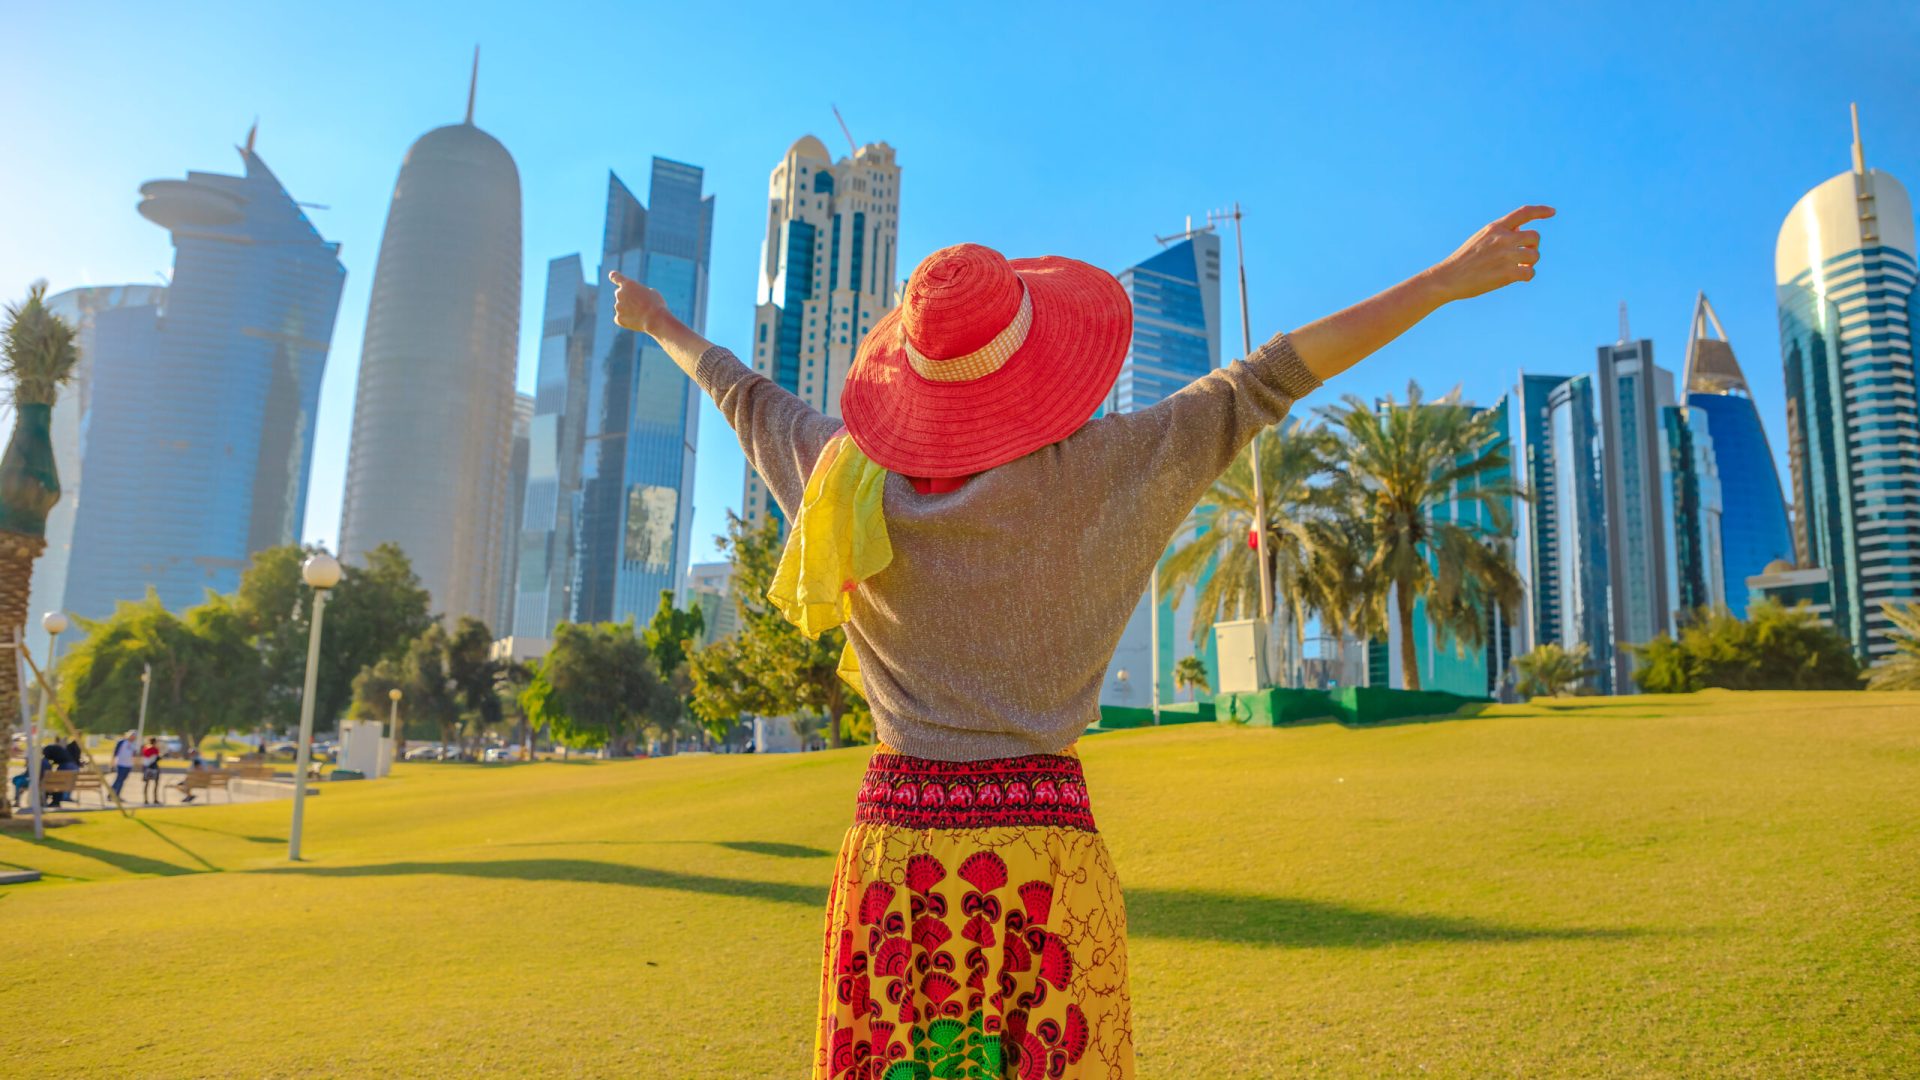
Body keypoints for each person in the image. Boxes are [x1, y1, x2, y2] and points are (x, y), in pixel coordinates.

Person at [609, 203, 1551, 1077]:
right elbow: (1271, 373)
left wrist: (656, 320)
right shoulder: (1107, 472)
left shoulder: (842, 474)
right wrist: (1439, 282)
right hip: (1044, 865)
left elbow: (740, 391)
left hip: (897, 862)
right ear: (1037, 361)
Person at [110, 729, 137, 801]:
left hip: (128, 765)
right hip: (121, 764)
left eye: (134, 736)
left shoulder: (133, 744)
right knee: (119, 780)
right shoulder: (122, 742)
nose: (133, 738)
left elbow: (133, 754)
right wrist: (112, 762)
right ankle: (113, 795)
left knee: (121, 780)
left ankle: (114, 795)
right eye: (132, 736)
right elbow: (115, 752)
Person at [141, 737, 163, 805]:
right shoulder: (154, 749)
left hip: (146, 767)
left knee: (147, 784)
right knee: (155, 784)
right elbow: (156, 758)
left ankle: (145, 799)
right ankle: (155, 799)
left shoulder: (145, 748)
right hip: (153, 768)